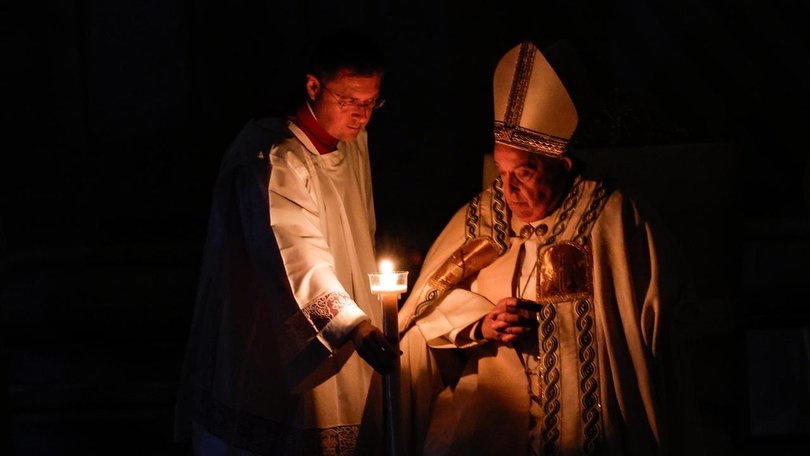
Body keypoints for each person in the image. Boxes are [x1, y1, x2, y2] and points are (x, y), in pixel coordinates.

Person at [398, 41, 699, 455]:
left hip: (588, 412)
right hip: (489, 407)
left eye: (523, 172)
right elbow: (425, 310)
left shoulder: (610, 217)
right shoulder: (482, 216)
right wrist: (480, 324)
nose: (508, 189)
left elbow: (658, 322)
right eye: (501, 172)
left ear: (563, 167)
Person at [174, 28, 398, 455]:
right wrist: (352, 325)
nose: (362, 116)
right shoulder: (273, 155)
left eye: (372, 103)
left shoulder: (353, 144)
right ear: (314, 86)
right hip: (282, 334)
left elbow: (357, 231)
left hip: (351, 320)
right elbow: (294, 252)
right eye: (349, 101)